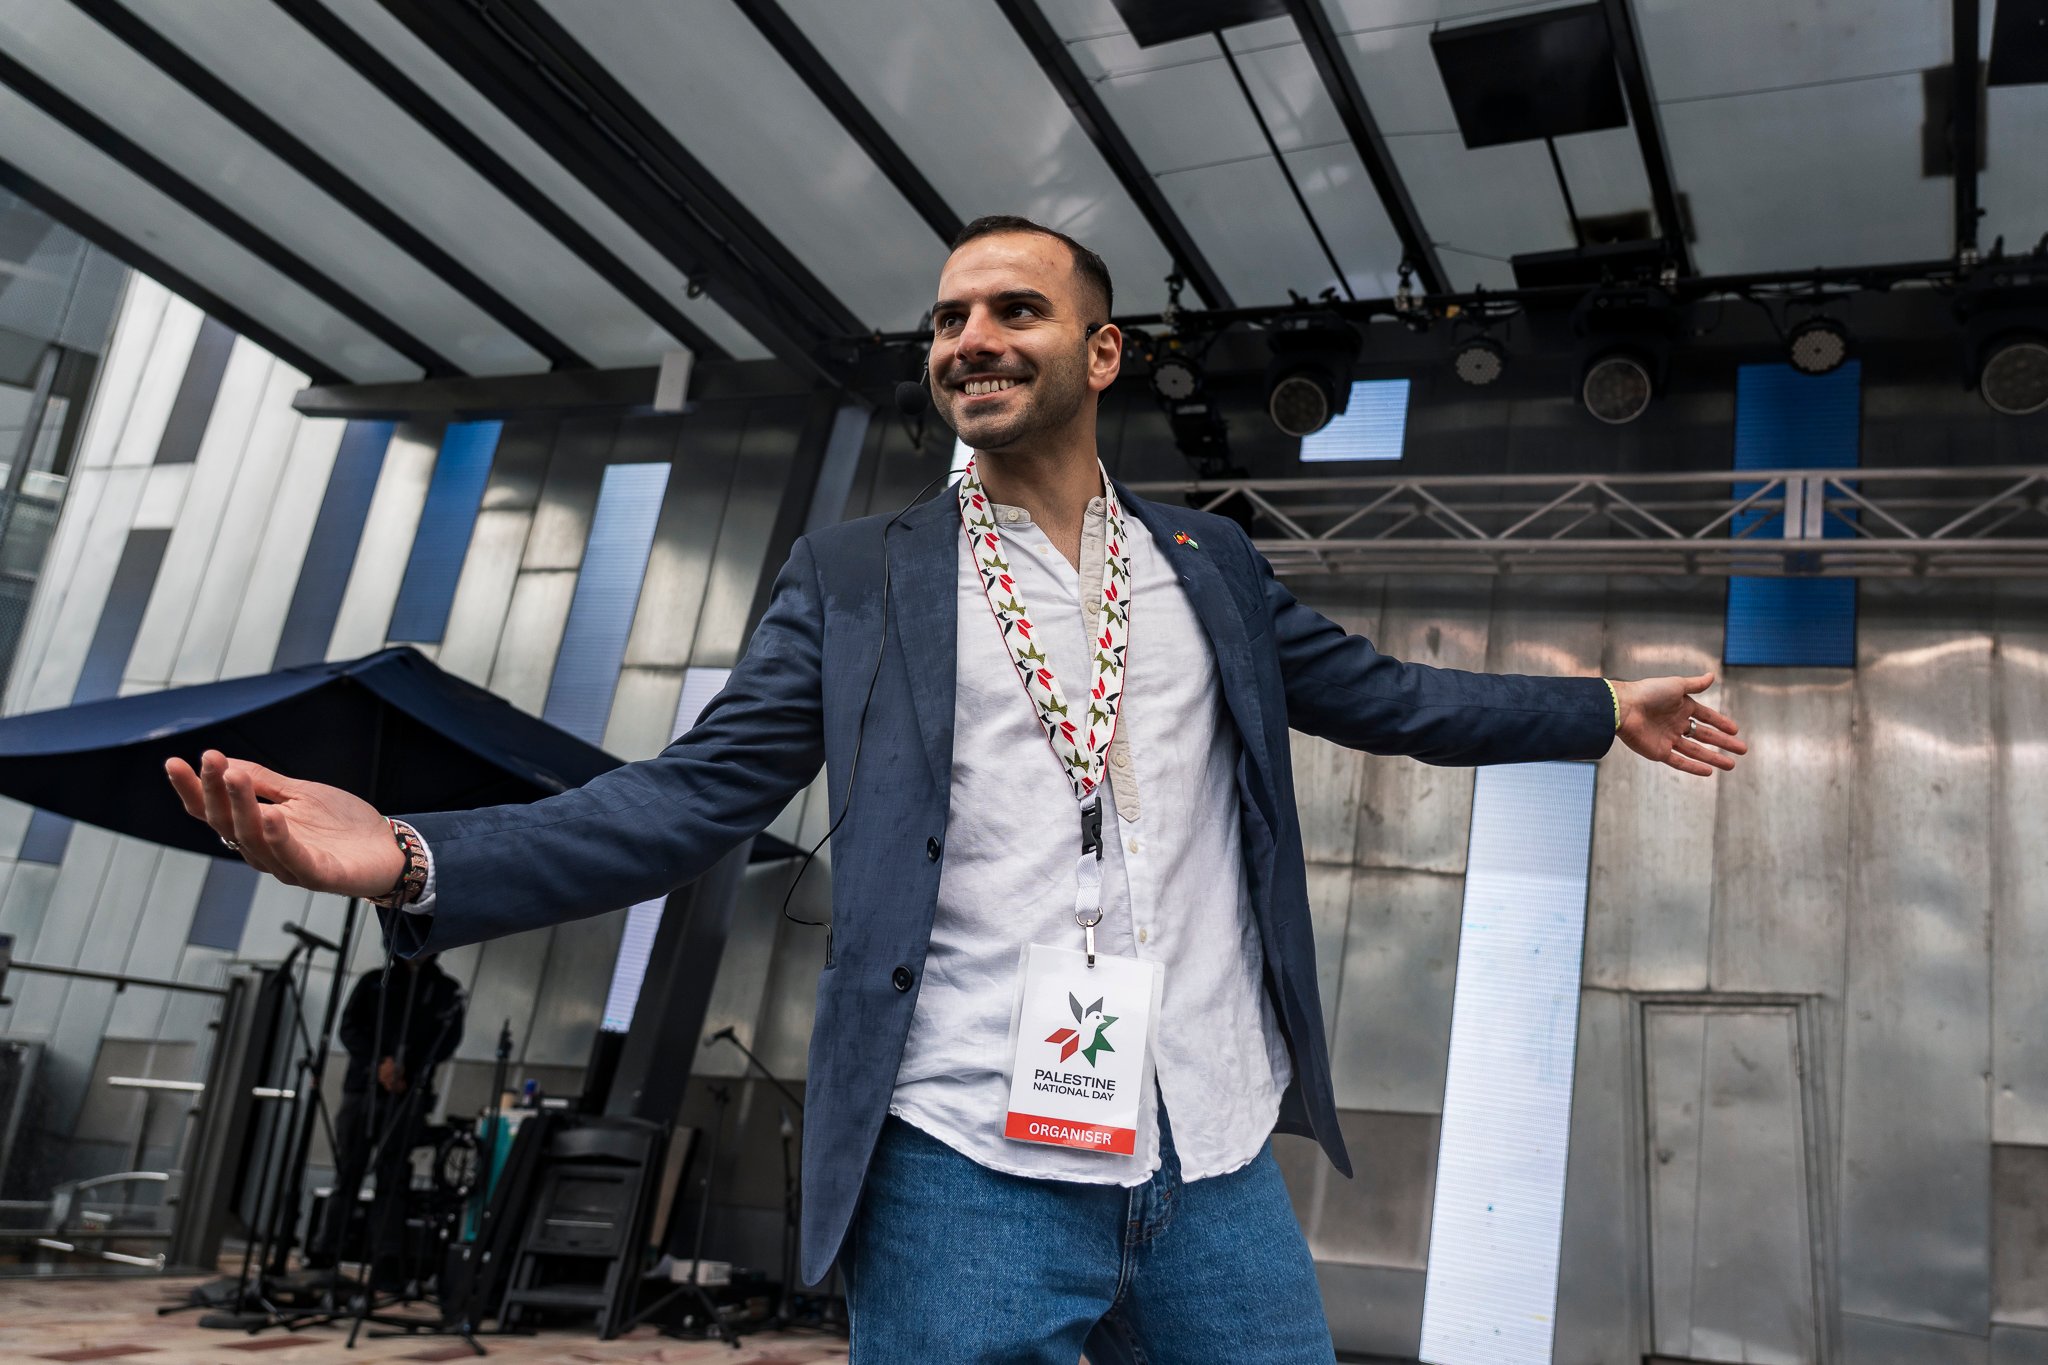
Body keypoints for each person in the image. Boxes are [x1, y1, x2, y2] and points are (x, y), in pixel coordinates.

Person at [167, 215, 1745, 1362]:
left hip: (1208, 1154)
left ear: (1101, 350)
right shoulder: (861, 575)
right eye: (945, 321)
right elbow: (691, 798)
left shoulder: (1209, 563)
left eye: (1013, 310)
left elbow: (1390, 697)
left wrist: (1598, 707)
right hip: (962, 1165)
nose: (969, 341)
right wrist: (411, 856)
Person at [305, 953, 462, 1291]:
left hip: (408, 1094)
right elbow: (350, 1027)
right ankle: (325, 1254)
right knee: (348, 1171)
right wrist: (379, 1063)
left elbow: (445, 1042)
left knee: (393, 1178)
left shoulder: (445, 990)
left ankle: (386, 1263)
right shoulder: (375, 981)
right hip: (363, 1088)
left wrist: (409, 1069)